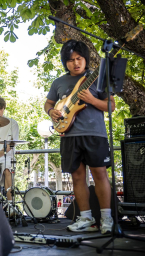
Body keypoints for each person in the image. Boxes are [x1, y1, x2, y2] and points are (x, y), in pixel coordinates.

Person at [44, 40, 114, 234]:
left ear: (85, 59)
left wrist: (92, 100)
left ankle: (107, 219)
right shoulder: (58, 82)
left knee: (100, 174)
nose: (75, 63)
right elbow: (48, 103)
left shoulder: (98, 77)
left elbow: (111, 106)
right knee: (77, 176)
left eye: (79, 58)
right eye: (70, 60)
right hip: (69, 134)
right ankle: (86, 218)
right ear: (65, 63)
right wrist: (51, 112)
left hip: (95, 133)